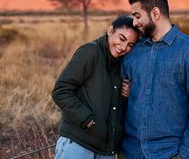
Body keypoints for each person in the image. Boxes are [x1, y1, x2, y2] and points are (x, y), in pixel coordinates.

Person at [119, 0, 189, 159]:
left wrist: (183, 153)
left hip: (168, 153)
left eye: (137, 15)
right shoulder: (133, 51)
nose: (134, 23)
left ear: (155, 13)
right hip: (130, 152)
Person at [52, 15, 140, 159]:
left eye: (130, 45)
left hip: (106, 152)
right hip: (79, 146)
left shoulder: (121, 65)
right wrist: (87, 119)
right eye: (122, 38)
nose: (123, 47)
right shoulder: (90, 52)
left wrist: (125, 97)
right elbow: (61, 90)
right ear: (110, 30)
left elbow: (111, 106)